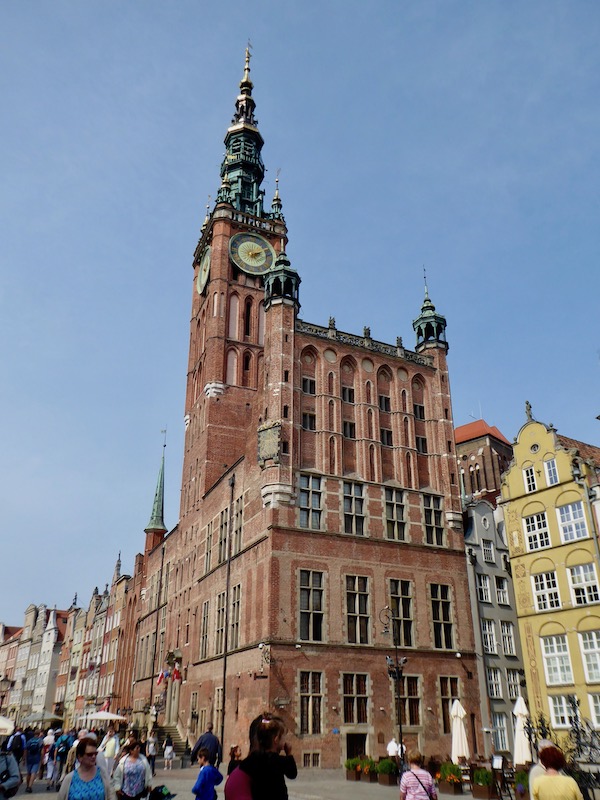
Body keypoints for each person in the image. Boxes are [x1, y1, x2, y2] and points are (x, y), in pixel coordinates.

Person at [237, 713, 297, 800]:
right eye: (284, 737)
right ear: (276, 740)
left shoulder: (254, 759)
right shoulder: (279, 761)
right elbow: (292, 773)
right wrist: (289, 753)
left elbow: (243, 767)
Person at [24, 728, 44, 793]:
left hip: (29, 758)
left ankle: (27, 786)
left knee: (28, 773)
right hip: (36, 758)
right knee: (33, 773)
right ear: (39, 734)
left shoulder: (30, 740)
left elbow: (25, 750)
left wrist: (24, 758)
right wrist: (42, 759)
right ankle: (30, 786)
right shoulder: (40, 741)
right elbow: (42, 751)